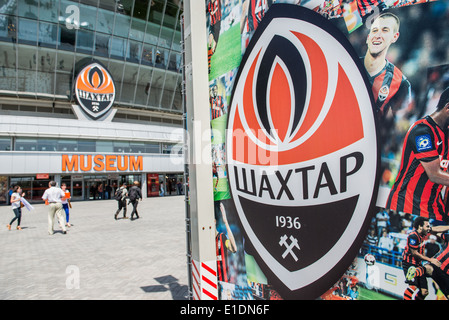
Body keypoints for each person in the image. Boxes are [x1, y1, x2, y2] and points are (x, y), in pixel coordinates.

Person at [386, 87, 449, 223]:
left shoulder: (447, 134)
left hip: (435, 209)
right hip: (407, 205)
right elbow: (434, 174)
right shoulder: (422, 131)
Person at [363, 13, 411, 121]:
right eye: (374, 30)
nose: (378, 35)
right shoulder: (350, 64)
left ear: (394, 37)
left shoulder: (401, 83)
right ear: (368, 37)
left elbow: (398, 126)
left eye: (385, 30)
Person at [401, 217, 441, 300]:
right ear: (420, 226)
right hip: (409, 263)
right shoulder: (413, 236)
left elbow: (436, 229)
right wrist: (430, 260)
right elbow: (414, 253)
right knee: (413, 286)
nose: (429, 228)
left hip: (418, 265)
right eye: (427, 226)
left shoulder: (423, 235)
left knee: (424, 292)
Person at [215, 201, 237, 282]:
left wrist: (226, 222)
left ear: (214, 221)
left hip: (224, 281)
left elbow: (234, 248)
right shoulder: (208, 240)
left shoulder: (221, 237)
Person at [207, 0, 222, 74]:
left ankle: (209, 64)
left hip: (217, 24)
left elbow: (214, 11)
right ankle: (208, 66)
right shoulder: (209, 4)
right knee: (209, 43)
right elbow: (211, 12)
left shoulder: (218, 1)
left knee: (213, 49)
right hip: (212, 24)